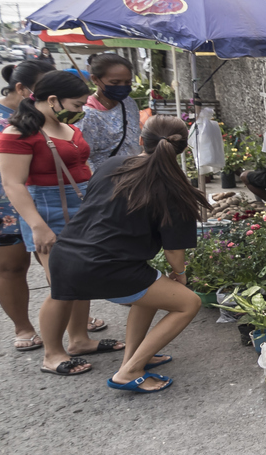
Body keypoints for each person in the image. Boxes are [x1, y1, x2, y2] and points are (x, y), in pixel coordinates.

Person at [43, 116, 206, 391]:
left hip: (66, 254)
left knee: (151, 289)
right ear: (183, 150)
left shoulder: (111, 165)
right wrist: (180, 275)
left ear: (141, 141)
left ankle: (136, 355)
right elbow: (174, 251)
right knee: (188, 303)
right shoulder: (177, 189)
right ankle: (129, 371)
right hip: (109, 268)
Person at [0, 70, 123, 377]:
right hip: (49, 212)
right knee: (62, 286)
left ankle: (79, 339)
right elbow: (13, 184)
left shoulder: (64, 126)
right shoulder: (17, 134)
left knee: (79, 279)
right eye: (77, 104)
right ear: (52, 100)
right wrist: (38, 226)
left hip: (82, 209)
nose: (81, 109)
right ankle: (52, 354)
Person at [0, 61, 53, 350]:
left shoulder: (49, 112)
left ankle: (72, 317)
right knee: (11, 267)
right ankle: (23, 327)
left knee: (61, 265)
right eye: (43, 90)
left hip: (46, 201)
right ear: (21, 88)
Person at [80, 52, 143, 171]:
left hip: (134, 176)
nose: (122, 86)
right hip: (105, 181)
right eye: (115, 82)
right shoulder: (87, 115)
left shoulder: (128, 103)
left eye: (127, 82)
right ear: (95, 79)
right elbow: (84, 159)